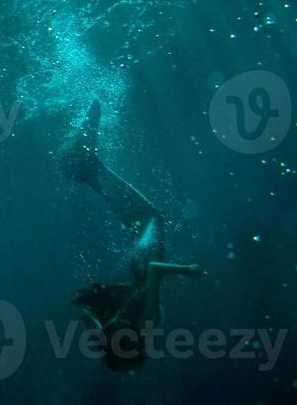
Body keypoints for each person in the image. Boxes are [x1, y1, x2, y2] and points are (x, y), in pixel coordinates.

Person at [59, 99, 206, 371]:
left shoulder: (145, 326)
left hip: (145, 266)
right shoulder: (106, 334)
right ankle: (87, 170)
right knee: (141, 222)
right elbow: (85, 312)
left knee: (151, 218)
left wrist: (187, 270)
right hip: (136, 269)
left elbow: (155, 273)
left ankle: (89, 166)